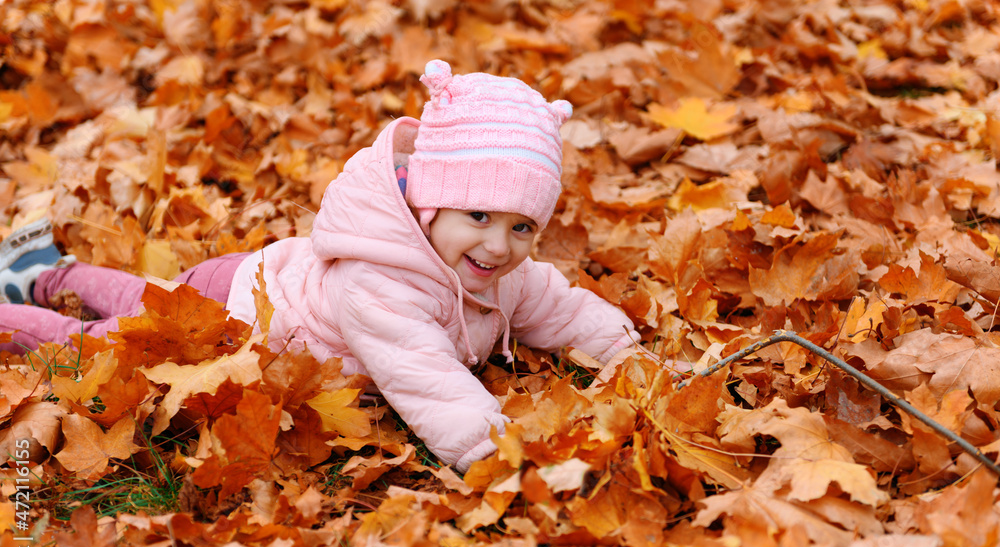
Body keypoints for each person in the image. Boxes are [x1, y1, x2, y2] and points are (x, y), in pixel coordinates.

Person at [1, 61, 645, 472]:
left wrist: (623, 351)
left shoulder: (501, 272)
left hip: (261, 278)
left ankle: (43, 269)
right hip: (236, 318)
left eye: (521, 227)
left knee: (149, 294)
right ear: (428, 206)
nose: (500, 245)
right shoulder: (382, 284)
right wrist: (489, 450)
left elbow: (562, 308)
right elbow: (423, 374)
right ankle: (28, 296)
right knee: (112, 338)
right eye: (478, 217)